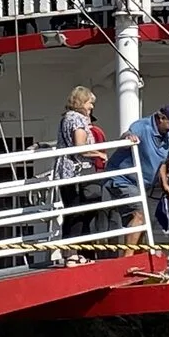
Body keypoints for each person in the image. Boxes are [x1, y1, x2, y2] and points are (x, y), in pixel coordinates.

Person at [56, 85, 104, 258]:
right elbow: (80, 147)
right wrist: (99, 154)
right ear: (82, 102)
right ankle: (75, 254)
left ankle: (72, 253)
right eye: (90, 103)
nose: (92, 107)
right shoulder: (78, 119)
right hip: (77, 172)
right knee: (78, 213)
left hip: (64, 171)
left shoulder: (66, 118)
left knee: (72, 213)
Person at [123, 103, 169, 247]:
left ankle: (136, 254)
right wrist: (129, 137)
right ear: (161, 118)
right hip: (125, 180)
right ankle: (128, 258)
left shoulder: (167, 135)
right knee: (139, 216)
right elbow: (126, 135)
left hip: (146, 184)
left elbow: (162, 161)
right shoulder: (142, 126)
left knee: (143, 220)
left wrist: (165, 184)